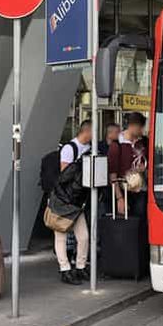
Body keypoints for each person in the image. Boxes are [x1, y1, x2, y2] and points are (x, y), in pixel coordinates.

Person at [51, 120, 91, 285]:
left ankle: (80, 266)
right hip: (64, 200)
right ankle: (65, 269)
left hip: (77, 201)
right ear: (86, 131)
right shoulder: (70, 149)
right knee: (60, 235)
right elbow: (64, 175)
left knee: (83, 237)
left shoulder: (89, 149)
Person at [108, 112, 148, 218]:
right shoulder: (117, 145)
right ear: (133, 126)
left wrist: (144, 167)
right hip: (125, 191)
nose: (142, 131)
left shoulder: (143, 142)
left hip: (141, 190)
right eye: (141, 128)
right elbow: (112, 174)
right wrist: (119, 198)